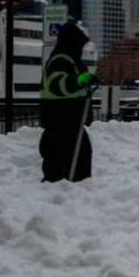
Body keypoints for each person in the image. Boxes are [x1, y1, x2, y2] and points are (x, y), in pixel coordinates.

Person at [39, 21, 97, 182]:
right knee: (62, 161)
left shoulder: (70, 59)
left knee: (80, 158)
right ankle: (58, 195)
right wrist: (80, 80)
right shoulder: (61, 59)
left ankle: (72, 192)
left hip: (69, 121)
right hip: (61, 120)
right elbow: (59, 85)